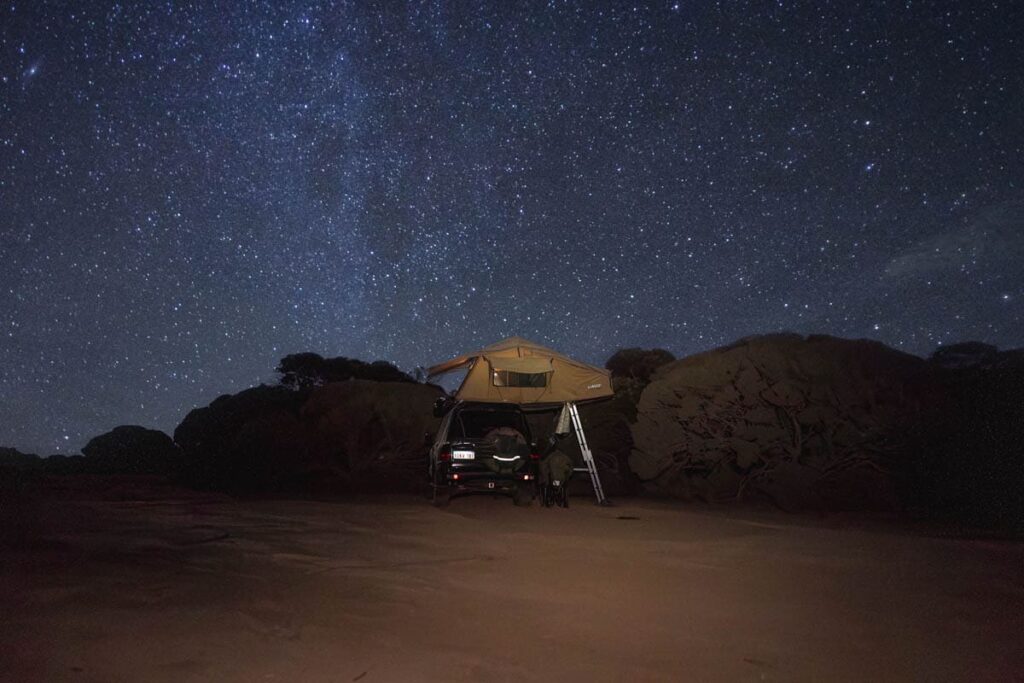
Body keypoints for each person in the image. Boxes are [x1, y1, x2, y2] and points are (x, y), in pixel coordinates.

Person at [539, 434, 573, 508]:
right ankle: (563, 501)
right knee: (564, 484)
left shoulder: (550, 456)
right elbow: (570, 466)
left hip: (553, 476)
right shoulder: (565, 457)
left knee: (545, 480)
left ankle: (546, 500)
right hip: (561, 477)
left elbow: (543, 467)